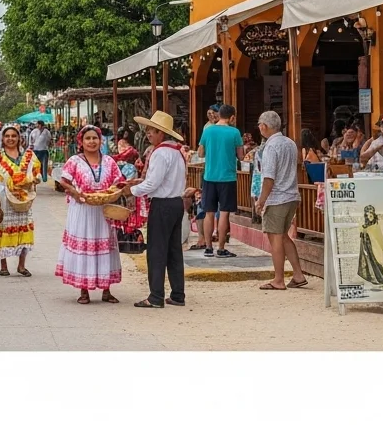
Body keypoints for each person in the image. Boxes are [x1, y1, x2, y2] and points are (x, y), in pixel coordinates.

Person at [117, 111, 189, 308]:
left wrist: (131, 190)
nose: (148, 133)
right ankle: (177, 294)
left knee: (157, 250)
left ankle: (156, 296)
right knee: (174, 251)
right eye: (148, 129)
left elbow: (153, 184)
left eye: (153, 130)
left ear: (162, 133)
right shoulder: (177, 152)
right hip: (176, 203)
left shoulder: (159, 153)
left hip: (163, 204)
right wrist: (141, 183)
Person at [55, 125, 123, 304]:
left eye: (95, 138)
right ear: (81, 142)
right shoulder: (75, 161)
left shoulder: (109, 161)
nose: (92, 142)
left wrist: (113, 192)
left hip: (103, 211)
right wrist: (76, 194)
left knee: (105, 248)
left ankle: (106, 290)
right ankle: (83, 290)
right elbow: (64, 182)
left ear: (101, 141)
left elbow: (119, 183)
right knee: (84, 249)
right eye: (88, 139)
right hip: (82, 210)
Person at [253, 111, 308, 291]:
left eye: (260, 124)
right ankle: (298, 275)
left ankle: (278, 279)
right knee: (284, 236)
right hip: (291, 195)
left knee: (275, 238)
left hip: (276, 197)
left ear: (264, 126)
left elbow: (269, 178)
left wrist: (261, 200)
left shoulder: (270, 147)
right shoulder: (290, 143)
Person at [0, 125, 40, 277]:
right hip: (3, 196)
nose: (10, 139)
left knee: (24, 226)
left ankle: (21, 266)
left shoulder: (29, 155)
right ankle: (4, 265)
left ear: (19, 138)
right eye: (7, 136)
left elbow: (36, 174)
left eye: (13, 136)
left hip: (24, 196)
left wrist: (32, 184)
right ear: (2, 138)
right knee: (3, 227)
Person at [195, 104, 243, 258]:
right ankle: (221, 248)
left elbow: (200, 153)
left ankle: (208, 248)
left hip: (209, 176)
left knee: (209, 212)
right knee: (224, 213)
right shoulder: (235, 132)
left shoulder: (208, 131)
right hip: (228, 177)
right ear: (232, 117)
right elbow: (241, 156)